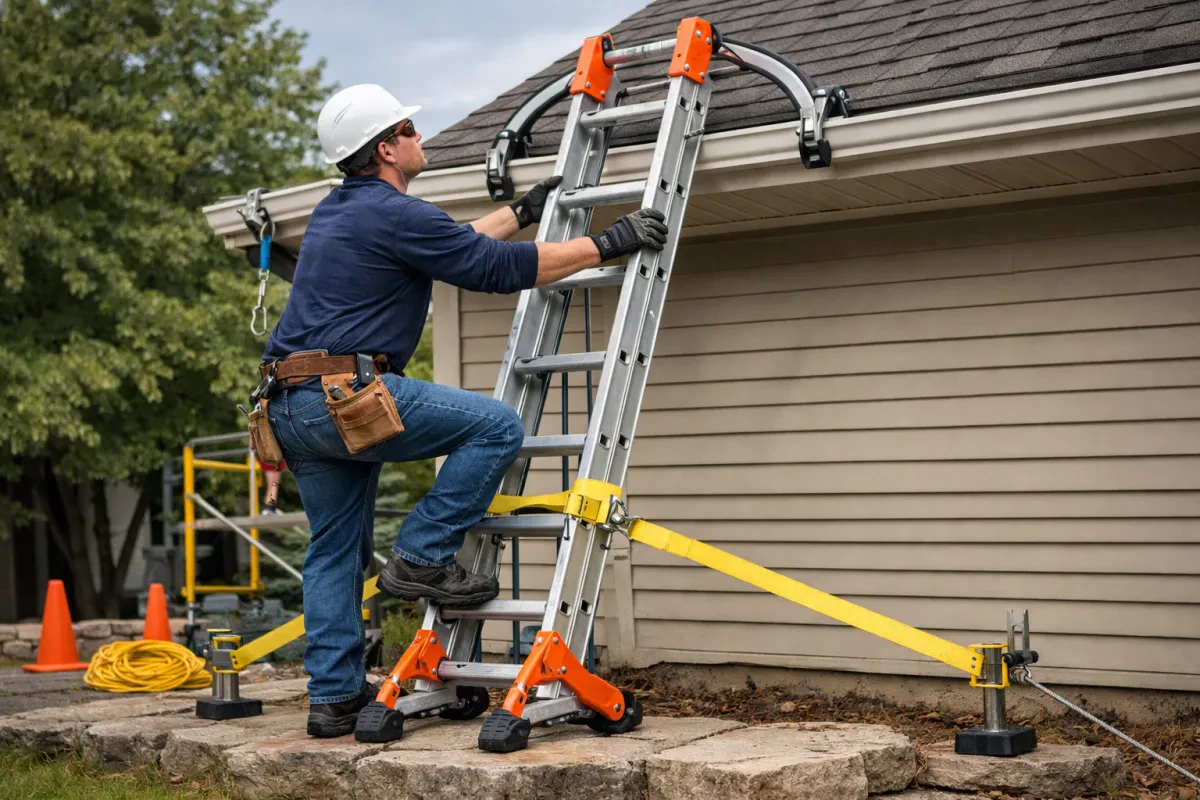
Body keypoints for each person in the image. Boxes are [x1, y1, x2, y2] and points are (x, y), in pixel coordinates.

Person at [260, 84, 669, 737]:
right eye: (411, 129)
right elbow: (494, 269)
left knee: (334, 549)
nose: (422, 137)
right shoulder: (395, 215)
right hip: (348, 395)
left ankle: (333, 698)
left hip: (290, 408)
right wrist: (607, 242)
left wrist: (520, 210)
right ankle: (422, 554)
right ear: (388, 149)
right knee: (496, 425)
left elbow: (455, 243)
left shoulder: (340, 212)